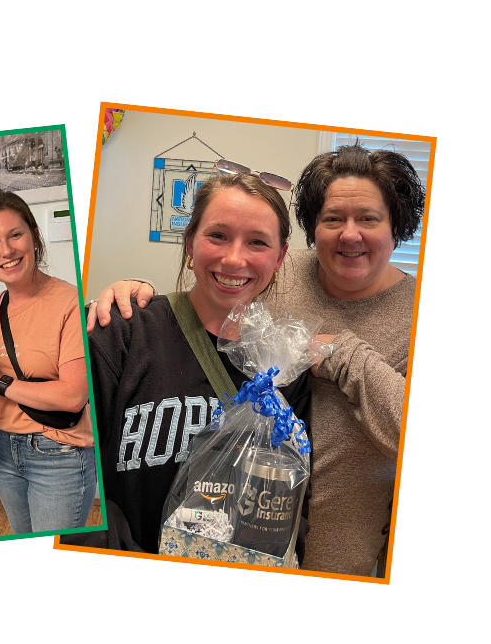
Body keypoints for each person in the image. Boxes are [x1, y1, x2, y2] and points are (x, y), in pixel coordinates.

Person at [91, 142, 425, 576]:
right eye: (332, 219)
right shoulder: (280, 273)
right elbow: (216, 283)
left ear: (396, 226)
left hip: (324, 549)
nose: (349, 234)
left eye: (369, 218)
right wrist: (131, 296)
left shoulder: (415, 314)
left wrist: (344, 355)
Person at [68, 172, 312, 556]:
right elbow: (68, 467)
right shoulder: (121, 334)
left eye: (257, 242)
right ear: (190, 244)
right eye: (218, 235)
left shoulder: (285, 369)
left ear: (279, 256)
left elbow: (296, 500)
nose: (234, 258)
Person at [0, 188, 96, 533]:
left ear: (34, 237)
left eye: (15, 235)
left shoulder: (70, 302)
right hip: (3, 451)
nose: (6, 251)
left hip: (59, 454)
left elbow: (72, 395)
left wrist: (0, 383)